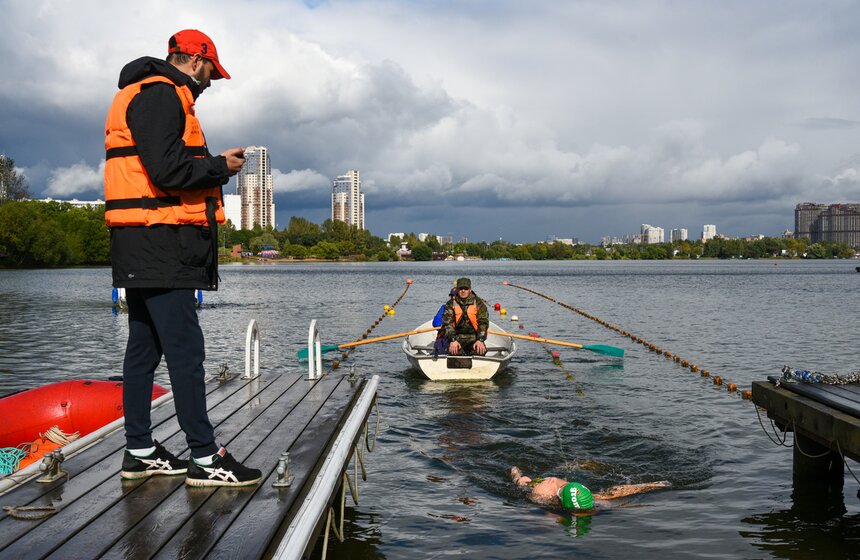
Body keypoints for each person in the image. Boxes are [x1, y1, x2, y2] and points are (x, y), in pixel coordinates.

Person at [104, 29, 261, 487]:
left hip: (145, 242)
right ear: (195, 60)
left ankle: (139, 450)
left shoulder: (146, 93)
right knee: (186, 353)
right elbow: (167, 169)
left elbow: (157, 167)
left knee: (144, 350)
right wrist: (219, 167)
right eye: (211, 71)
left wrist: (213, 165)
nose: (211, 82)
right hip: (163, 243)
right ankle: (205, 457)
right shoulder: (161, 95)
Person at [511, 466, 670, 512]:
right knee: (522, 481)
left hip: (566, 489)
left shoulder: (590, 497)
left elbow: (622, 490)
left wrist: (652, 485)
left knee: (607, 498)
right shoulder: (540, 493)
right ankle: (515, 471)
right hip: (543, 486)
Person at [441, 277, 489, 356]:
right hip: (457, 337)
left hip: (474, 338)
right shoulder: (450, 304)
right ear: (457, 290)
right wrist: (453, 340)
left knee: (479, 351)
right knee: (454, 352)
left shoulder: (479, 303)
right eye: (461, 289)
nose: (463, 291)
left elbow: (483, 322)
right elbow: (447, 323)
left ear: (470, 290)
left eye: (466, 289)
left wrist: (480, 340)